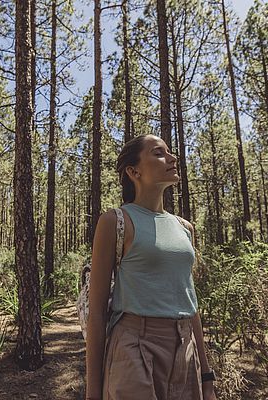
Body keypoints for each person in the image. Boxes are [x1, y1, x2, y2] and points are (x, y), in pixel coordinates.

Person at [85, 135, 217, 400]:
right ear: (134, 171)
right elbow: (97, 312)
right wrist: (92, 392)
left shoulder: (184, 228)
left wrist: (206, 379)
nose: (172, 158)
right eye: (159, 153)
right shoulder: (115, 221)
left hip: (185, 349)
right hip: (133, 346)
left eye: (170, 152)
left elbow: (190, 303)